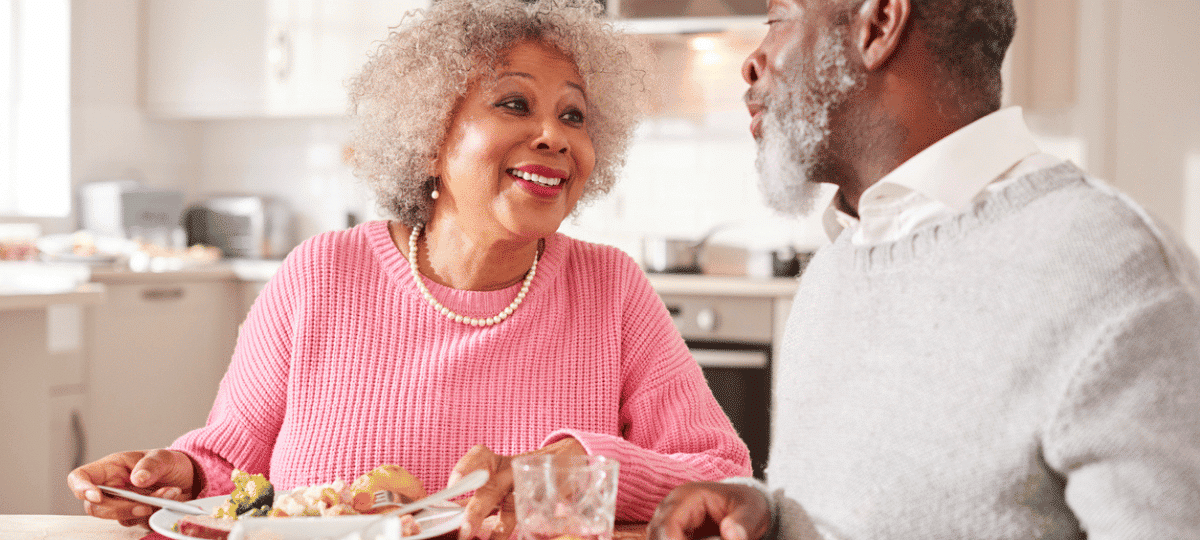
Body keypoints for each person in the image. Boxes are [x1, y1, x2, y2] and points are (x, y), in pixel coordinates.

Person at [67, 0, 751, 536]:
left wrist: (580, 464)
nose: (555, 136)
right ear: (430, 139)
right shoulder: (321, 273)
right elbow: (227, 465)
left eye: (574, 115)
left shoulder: (611, 289)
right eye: (515, 103)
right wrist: (170, 475)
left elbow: (724, 474)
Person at [648, 0, 1200, 539]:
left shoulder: (1112, 271)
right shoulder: (842, 260)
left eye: (777, 20)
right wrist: (770, 512)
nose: (752, 61)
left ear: (879, 23)